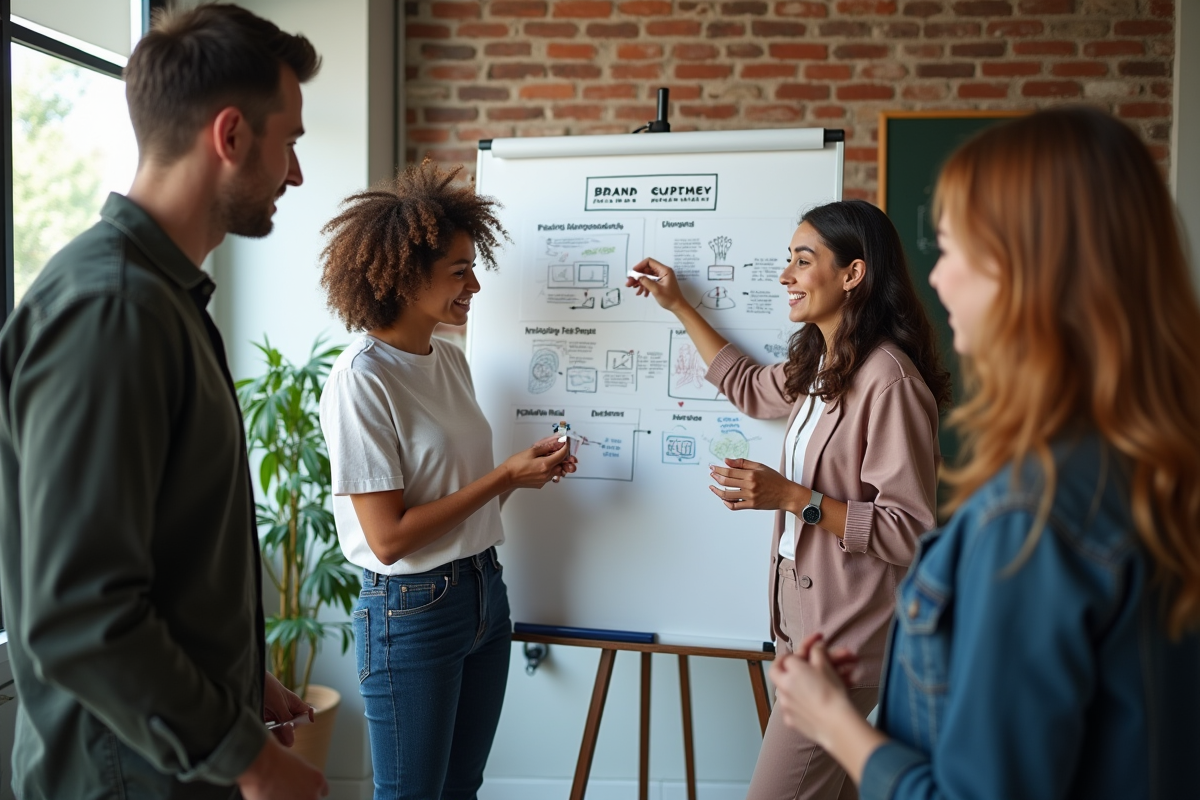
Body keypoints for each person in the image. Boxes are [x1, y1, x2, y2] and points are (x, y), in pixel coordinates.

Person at [768, 107, 1200, 800]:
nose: (937, 280)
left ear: (1032, 270)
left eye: (954, 248)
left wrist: (833, 723)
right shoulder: (1155, 474)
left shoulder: (1032, 520)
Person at [0, 5, 330, 799]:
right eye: (289, 142)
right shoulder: (113, 309)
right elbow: (80, 613)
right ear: (230, 136)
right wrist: (251, 760)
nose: (296, 174)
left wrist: (242, 685)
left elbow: (162, 556)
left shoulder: (165, 299)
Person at [627, 200, 951, 800]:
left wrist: (794, 498)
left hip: (846, 639)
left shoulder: (889, 380)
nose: (786, 276)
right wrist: (678, 305)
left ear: (853, 274)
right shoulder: (824, 363)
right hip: (797, 629)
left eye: (804, 261)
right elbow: (750, 387)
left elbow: (910, 529)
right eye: (788, 260)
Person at [318, 162, 577, 800]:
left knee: (462, 788)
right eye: (459, 271)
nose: (475, 285)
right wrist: (501, 477)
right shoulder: (363, 377)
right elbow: (389, 539)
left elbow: (451, 490)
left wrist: (523, 474)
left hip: (483, 593)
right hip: (411, 610)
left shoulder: (448, 358)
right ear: (405, 276)